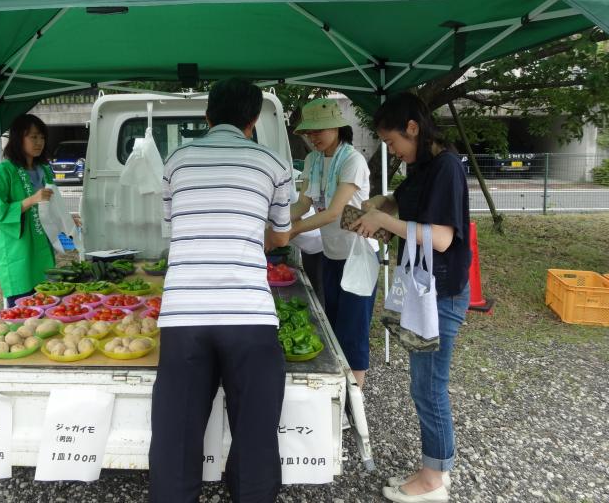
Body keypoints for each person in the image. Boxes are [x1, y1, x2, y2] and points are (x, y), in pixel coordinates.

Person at [148, 78, 292, 503]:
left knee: (176, 438)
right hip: (250, 317)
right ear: (252, 120)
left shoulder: (176, 160)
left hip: (183, 318)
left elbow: (175, 227)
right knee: (256, 438)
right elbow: (281, 237)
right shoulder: (274, 163)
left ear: (207, 116)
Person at [350, 92, 471, 503]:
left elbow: (440, 237)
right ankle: (434, 466)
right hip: (427, 291)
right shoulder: (422, 167)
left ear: (413, 128)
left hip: (441, 293)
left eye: (392, 142)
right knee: (424, 385)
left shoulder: (447, 167)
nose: (391, 150)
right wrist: (385, 203)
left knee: (429, 387)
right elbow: (409, 205)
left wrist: (384, 219)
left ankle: (434, 479)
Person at [287, 97, 377, 388]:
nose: (314, 137)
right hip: (332, 252)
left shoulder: (352, 160)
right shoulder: (313, 160)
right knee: (333, 322)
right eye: (309, 132)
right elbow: (303, 203)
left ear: (338, 127)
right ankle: (339, 389)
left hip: (358, 255)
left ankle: (355, 398)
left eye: (320, 130)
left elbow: (335, 212)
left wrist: (289, 232)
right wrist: (277, 222)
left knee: (353, 329)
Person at [0, 114, 55, 307]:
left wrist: (65, 220)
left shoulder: (45, 169)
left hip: (41, 242)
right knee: (22, 307)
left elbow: (51, 205)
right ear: (18, 138)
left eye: (42, 137)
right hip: (17, 247)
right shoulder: (2, 172)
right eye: (33, 137)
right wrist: (32, 200)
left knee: (45, 300)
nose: (39, 142)